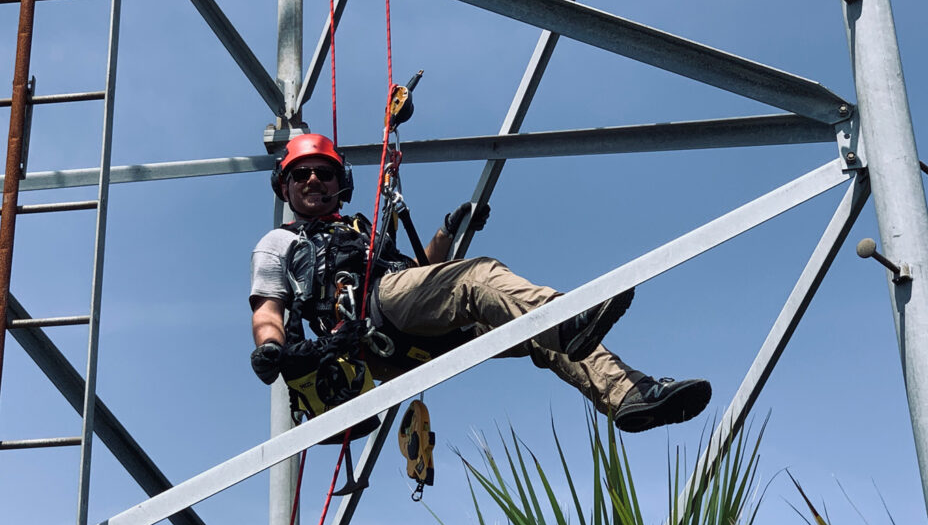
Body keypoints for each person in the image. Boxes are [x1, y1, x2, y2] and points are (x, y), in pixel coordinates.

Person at [250, 133, 711, 432]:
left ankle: (628, 395)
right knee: (477, 278)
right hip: (369, 328)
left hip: (402, 324)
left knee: (534, 335)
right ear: (284, 187)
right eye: (300, 174)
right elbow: (268, 308)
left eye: (323, 172)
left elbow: (419, 278)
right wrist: (270, 347)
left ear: (340, 181)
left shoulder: (360, 230)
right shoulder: (280, 242)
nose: (312, 179)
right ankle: (567, 318)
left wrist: (446, 232)